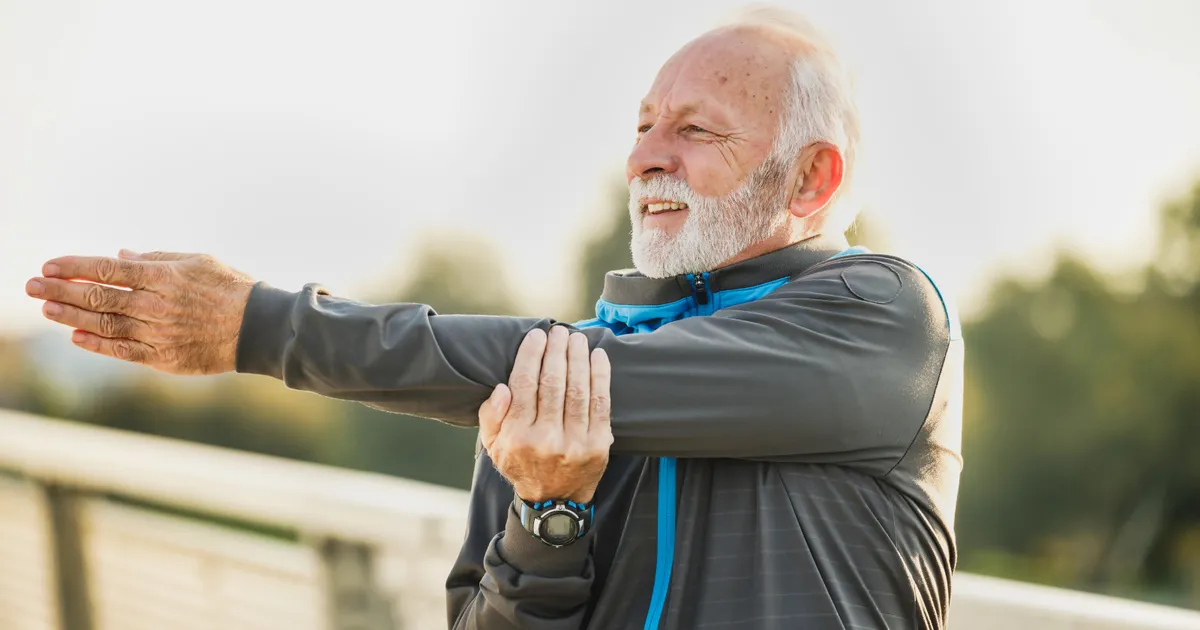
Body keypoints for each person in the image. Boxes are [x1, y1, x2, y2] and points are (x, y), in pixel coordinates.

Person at [24, 6, 963, 629]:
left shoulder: (883, 317)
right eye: (642, 126)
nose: (646, 159)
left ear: (814, 177)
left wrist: (260, 327)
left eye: (696, 129)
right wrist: (545, 524)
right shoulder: (546, 377)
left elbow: (593, 375)